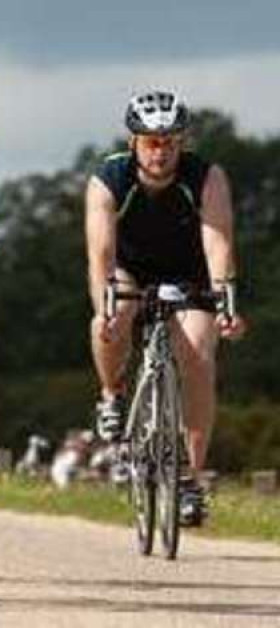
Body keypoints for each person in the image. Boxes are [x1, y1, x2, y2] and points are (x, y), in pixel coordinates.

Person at [85, 89, 246, 525]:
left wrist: (225, 298)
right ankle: (111, 393)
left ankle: (189, 479)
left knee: (198, 356)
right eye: (152, 142)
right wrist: (106, 299)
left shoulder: (206, 178)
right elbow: (100, 251)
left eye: (171, 141)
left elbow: (218, 240)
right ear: (134, 141)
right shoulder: (109, 179)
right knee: (111, 317)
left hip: (188, 273)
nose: (161, 151)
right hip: (130, 268)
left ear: (183, 142)